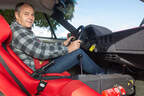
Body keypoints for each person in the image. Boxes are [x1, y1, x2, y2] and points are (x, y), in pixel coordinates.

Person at [10, 2, 104, 74]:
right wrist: (68, 49)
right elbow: (40, 52)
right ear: (17, 15)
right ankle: (103, 75)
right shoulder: (18, 32)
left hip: (41, 64)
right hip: (39, 72)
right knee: (78, 53)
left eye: (32, 14)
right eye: (26, 14)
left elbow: (42, 46)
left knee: (73, 52)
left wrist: (62, 44)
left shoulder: (23, 30)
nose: (31, 17)